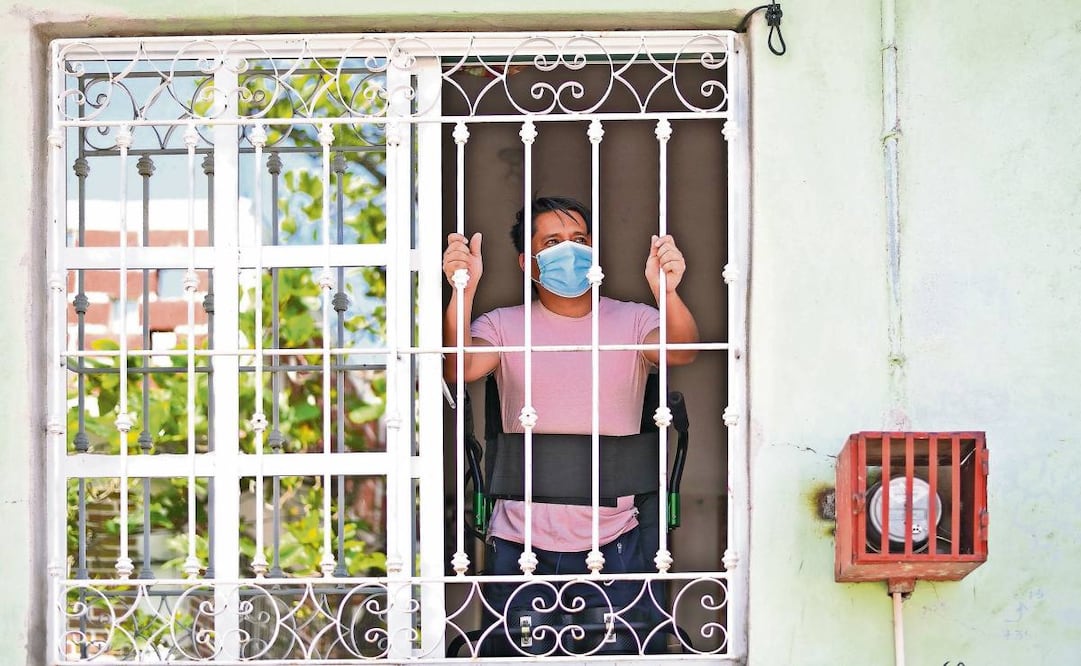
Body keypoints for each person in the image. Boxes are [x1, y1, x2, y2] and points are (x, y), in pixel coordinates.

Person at [442, 196, 698, 651]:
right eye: (553, 242)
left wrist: (667, 292)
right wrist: (463, 290)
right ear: (529, 263)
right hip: (518, 540)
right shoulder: (503, 325)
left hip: (614, 539)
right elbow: (457, 367)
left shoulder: (634, 319)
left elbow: (683, 351)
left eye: (579, 239)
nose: (569, 250)